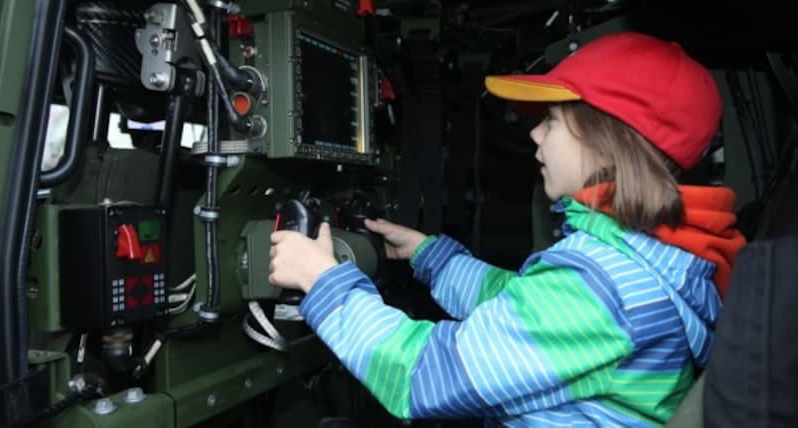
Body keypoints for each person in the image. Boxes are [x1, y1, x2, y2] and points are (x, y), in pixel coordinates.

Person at [268, 31, 747, 426]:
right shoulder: (655, 256)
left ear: (607, 141)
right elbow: (524, 301)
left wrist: (323, 282)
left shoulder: (601, 289)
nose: (535, 133)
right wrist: (429, 256)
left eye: (553, 120)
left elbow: (420, 377)